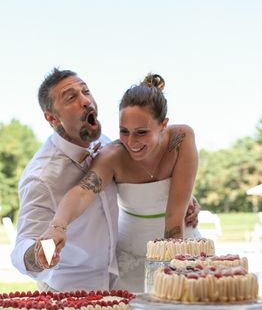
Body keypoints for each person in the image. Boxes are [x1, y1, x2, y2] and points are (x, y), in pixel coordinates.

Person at [11, 68, 199, 292]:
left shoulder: (107, 142)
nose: (85, 101)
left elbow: (147, 171)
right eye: (71, 97)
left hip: (115, 280)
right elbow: (24, 244)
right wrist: (44, 250)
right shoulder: (41, 177)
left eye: (86, 91)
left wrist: (180, 194)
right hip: (70, 289)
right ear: (52, 118)